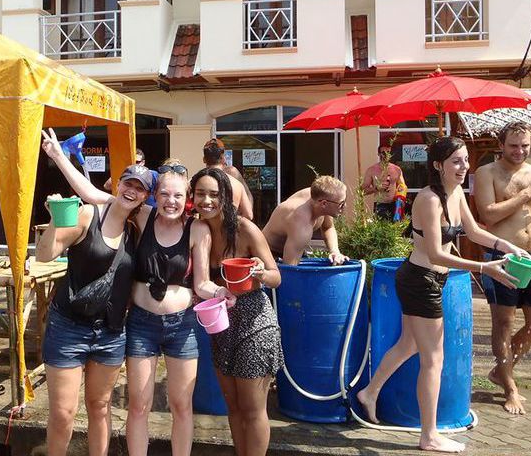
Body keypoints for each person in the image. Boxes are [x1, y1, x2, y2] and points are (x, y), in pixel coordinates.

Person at [42, 132, 231, 456]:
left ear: (186, 197)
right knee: (137, 405)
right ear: (156, 196)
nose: (171, 201)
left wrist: (221, 290)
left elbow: (201, 282)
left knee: (180, 405)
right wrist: (60, 157)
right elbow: (91, 194)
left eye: (178, 195)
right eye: (165, 194)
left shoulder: (196, 229)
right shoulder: (142, 216)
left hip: (181, 327)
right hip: (140, 324)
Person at [356, 137, 526, 453]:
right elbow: (435, 253)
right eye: (456, 161)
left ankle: (370, 392)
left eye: (465, 160)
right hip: (420, 280)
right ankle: (429, 435)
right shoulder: (429, 201)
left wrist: (509, 246)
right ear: (438, 165)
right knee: (434, 359)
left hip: (430, 279)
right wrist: (484, 268)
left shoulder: (456, 193)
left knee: (407, 344)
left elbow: (474, 232)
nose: (464, 167)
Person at [37, 130, 151, 456]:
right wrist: (55, 221)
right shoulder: (88, 213)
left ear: (145, 197)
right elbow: (45, 255)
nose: (132, 191)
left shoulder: (139, 225)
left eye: (140, 189)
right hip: (68, 327)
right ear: (116, 184)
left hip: (111, 332)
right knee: (63, 413)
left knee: (100, 408)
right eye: (128, 183)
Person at [473, 122, 531, 415]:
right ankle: (510, 386)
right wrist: (527, 194)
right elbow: (488, 214)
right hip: (503, 257)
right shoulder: (486, 172)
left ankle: (502, 370)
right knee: (503, 323)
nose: (519, 151)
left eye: (525, 145)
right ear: (501, 144)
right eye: (513, 145)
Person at [190, 167, 282, 456]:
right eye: (201, 193)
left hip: (255, 322)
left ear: (226, 197)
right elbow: (202, 280)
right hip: (221, 324)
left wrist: (259, 272)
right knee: (233, 406)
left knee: (253, 409)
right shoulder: (200, 229)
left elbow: (276, 277)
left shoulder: (244, 228)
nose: (206, 200)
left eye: (214, 194)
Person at [262, 176, 350, 266]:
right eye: (341, 204)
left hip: (292, 247)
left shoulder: (319, 198)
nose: (345, 206)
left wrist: (335, 251)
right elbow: (291, 270)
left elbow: (328, 227)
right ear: (324, 203)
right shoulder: (301, 223)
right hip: (267, 254)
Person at [202, 138, 254, 220]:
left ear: (204, 159)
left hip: (207, 229)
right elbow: (248, 213)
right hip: (231, 227)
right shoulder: (233, 174)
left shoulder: (199, 180)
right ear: (223, 158)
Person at [363, 144, 405, 220]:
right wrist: (376, 188)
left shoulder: (397, 169)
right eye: (383, 152)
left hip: (395, 205)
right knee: (381, 230)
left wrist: (400, 197)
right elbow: (363, 190)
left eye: (388, 152)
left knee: (395, 230)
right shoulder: (372, 170)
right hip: (380, 205)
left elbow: (402, 186)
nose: (386, 155)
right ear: (379, 154)